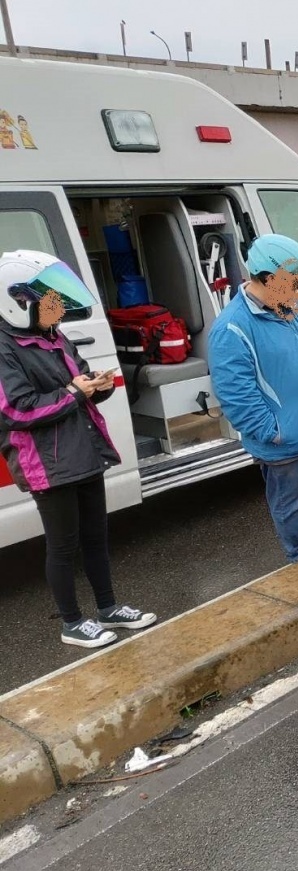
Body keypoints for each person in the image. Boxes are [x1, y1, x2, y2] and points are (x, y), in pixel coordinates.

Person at [0, 250, 156, 648]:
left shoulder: (53, 334)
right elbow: (16, 410)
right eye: (52, 302)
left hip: (83, 449)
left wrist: (94, 386)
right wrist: (74, 391)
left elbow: (79, 381)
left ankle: (108, 608)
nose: (60, 310)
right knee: (63, 544)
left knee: (96, 536)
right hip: (46, 462)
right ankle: (71, 622)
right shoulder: (4, 347)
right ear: (18, 302)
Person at [209, 234, 298, 563]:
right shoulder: (232, 328)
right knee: (294, 514)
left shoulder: (297, 308)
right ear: (267, 279)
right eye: (294, 282)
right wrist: (274, 432)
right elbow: (236, 396)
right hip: (287, 445)